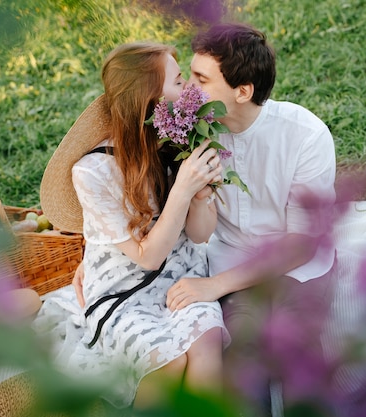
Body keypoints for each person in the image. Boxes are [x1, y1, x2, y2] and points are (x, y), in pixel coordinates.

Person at [37, 42, 230, 412]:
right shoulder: (92, 171)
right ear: (150, 101)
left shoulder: (179, 143)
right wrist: (183, 189)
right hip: (123, 290)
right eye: (178, 81)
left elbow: (201, 235)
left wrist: (202, 194)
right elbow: (147, 256)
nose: (190, 89)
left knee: (205, 342)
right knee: (167, 364)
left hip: (181, 275)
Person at [161, 22, 338, 413]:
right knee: (243, 365)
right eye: (189, 74)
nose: (187, 88)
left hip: (298, 267)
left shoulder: (305, 137)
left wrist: (214, 286)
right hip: (234, 257)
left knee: (297, 354)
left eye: (200, 78)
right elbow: (199, 231)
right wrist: (198, 195)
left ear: (242, 92)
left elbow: (300, 245)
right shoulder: (193, 134)